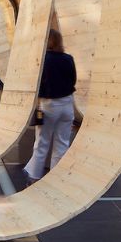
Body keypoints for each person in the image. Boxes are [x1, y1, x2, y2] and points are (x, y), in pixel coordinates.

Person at [25, 28, 76, 182]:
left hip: (49, 105)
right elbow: (73, 80)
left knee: (42, 143)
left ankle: (34, 176)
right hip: (67, 104)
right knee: (62, 143)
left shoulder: (43, 59)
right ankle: (55, 180)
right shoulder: (68, 58)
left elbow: (37, 84)